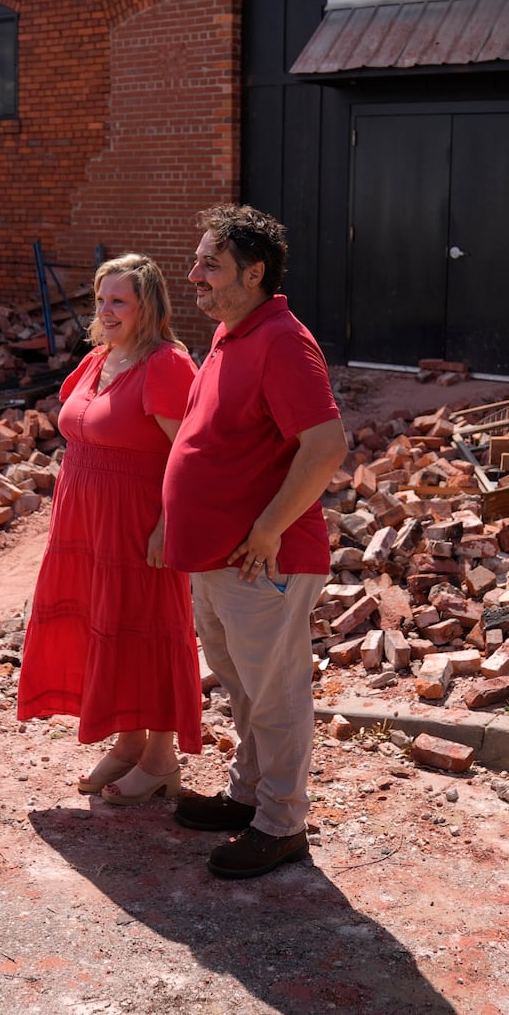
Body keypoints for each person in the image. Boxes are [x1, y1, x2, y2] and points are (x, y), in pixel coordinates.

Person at [162, 204, 348, 879]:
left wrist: (268, 528)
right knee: (243, 686)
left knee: (274, 694)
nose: (194, 276)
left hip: (262, 560)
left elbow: (326, 446)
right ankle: (250, 795)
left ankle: (282, 822)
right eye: (198, 262)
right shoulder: (231, 333)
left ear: (255, 272)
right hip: (221, 560)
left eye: (210, 264)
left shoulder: (281, 340)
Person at [16, 253, 202, 805]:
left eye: (118, 300)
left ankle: (162, 758)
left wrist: (169, 526)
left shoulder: (166, 363)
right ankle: (128, 743)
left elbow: (187, 456)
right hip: (86, 519)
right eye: (101, 299)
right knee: (108, 623)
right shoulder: (100, 358)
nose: (106, 309)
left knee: (148, 627)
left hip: (136, 520)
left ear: (149, 305)